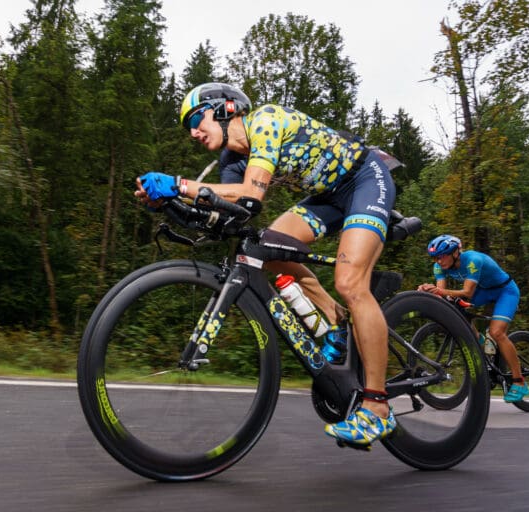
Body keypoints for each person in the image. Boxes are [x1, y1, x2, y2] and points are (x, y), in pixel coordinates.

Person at [134, 82, 397, 448]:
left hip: (365, 179)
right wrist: (166, 205)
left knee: (350, 281)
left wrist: (177, 185)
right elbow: (229, 213)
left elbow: (251, 194)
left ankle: (377, 408)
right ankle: (336, 320)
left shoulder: (265, 121)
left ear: (226, 109)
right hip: (327, 197)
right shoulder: (231, 159)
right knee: (266, 248)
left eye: (196, 119)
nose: (193, 132)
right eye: (188, 127)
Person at [417, 234, 529, 402]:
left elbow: (468, 292)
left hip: (505, 291)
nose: (438, 261)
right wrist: (428, 291)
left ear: (455, 253)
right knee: (455, 307)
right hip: (483, 291)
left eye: (442, 256)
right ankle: (480, 340)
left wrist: (440, 292)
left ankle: (519, 381)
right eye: (435, 258)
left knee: (497, 332)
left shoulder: (473, 260)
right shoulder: (439, 267)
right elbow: (440, 294)